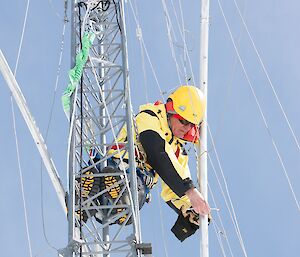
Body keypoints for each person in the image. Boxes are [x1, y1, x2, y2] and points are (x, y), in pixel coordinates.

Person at [99, 85, 210, 241]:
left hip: (138, 183)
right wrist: (191, 191)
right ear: (171, 112)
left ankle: (98, 200)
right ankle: (100, 190)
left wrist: (191, 210)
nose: (187, 128)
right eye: (184, 121)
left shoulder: (178, 151)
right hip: (120, 166)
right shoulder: (150, 116)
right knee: (135, 190)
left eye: (191, 125)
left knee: (136, 197)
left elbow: (175, 188)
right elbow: (156, 151)